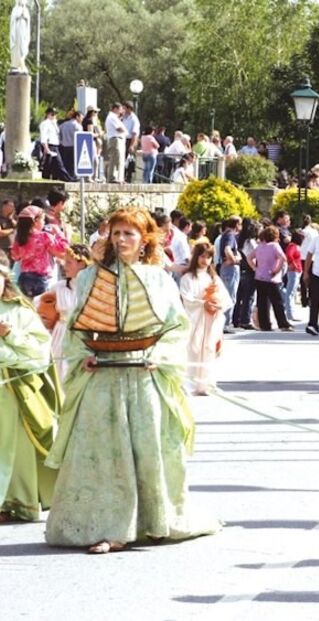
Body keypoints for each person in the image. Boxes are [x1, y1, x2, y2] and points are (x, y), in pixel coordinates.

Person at [45, 207, 221, 552]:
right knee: (103, 452)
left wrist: (160, 356)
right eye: (116, 233)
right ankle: (112, 527)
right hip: (103, 375)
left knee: (150, 449)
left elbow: (175, 327)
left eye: (129, 233)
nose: (122, 239)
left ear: (144, 240)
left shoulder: (158, 279)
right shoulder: (90, 278)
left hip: (144, 374)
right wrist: (84, 357)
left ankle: (155, 520)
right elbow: (78, 329)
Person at [0, 249, 58, 523]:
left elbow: (38, 356)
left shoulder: (20, 312)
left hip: (14, 392)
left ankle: (17, 501)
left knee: (17, 448)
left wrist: (10, 335)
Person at [179, 242, 233, 396]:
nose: (205, 260)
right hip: (195, 319)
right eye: (202, 256)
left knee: (209, 349)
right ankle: (189, 383)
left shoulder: (213, 278)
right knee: (193, 349)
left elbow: (225, 298)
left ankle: (206, 383)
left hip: (211, 319)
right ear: (196, 257)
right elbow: (187, 298)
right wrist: (203, 303)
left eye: (208, 257)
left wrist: (217, 304)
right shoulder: (188, 277)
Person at [34, 244, 92, 379]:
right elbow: (38, 304)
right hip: (61, 334)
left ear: (82, 264)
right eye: (65, 262)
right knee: (59, 371)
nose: (64, 266)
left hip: (83, 335)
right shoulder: (59, 287)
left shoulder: (92, 288)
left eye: (69, 263)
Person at [11, 205, 69, 297]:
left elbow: (15, 256)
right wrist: (59, 233)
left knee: (27, 304)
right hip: (41, 279)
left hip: (24, 278)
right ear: (35, 221)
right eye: (43, 220)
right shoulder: (44, 237)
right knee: (41, 304)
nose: (44, 223)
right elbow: (63, 251)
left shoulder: (19, 239)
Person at [248, 226, 292, 332]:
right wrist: (277, 270)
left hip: (259, 276)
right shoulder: (275, 246)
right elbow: (283, 258)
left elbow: (249, 257)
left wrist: (254, 267)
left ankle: (265, 324)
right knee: (277, 301)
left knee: (262, 301)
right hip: (272, 277)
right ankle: (282, 323)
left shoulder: (259, 246)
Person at [233, 218, 259, 330]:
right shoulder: (250, 242)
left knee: (238, 296)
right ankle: (245, 320)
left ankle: (235, 319)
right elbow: (253, 257)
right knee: (248, 296)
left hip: (239, 269)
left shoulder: (237, 238)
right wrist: (256, 268)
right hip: (249, 270)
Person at [282, 232, 303, 323]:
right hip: (294, 271)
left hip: (296, 271)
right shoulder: (292, 246)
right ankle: (290, 314)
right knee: (290, 293)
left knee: (292, 292)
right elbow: (289, 255)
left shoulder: (294, 246)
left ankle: (289, 312)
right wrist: (293, 264)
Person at [104, 103, 127, 183]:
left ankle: (119, 178)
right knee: (116, 159)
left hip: (119, 139)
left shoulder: (115, 118)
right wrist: (125, 131)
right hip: (115, 139)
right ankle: (112, 177)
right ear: (115, 109)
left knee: (119, 159)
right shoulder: (112, 117)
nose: (121, 111)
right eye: (120, 109)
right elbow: (119, 128)